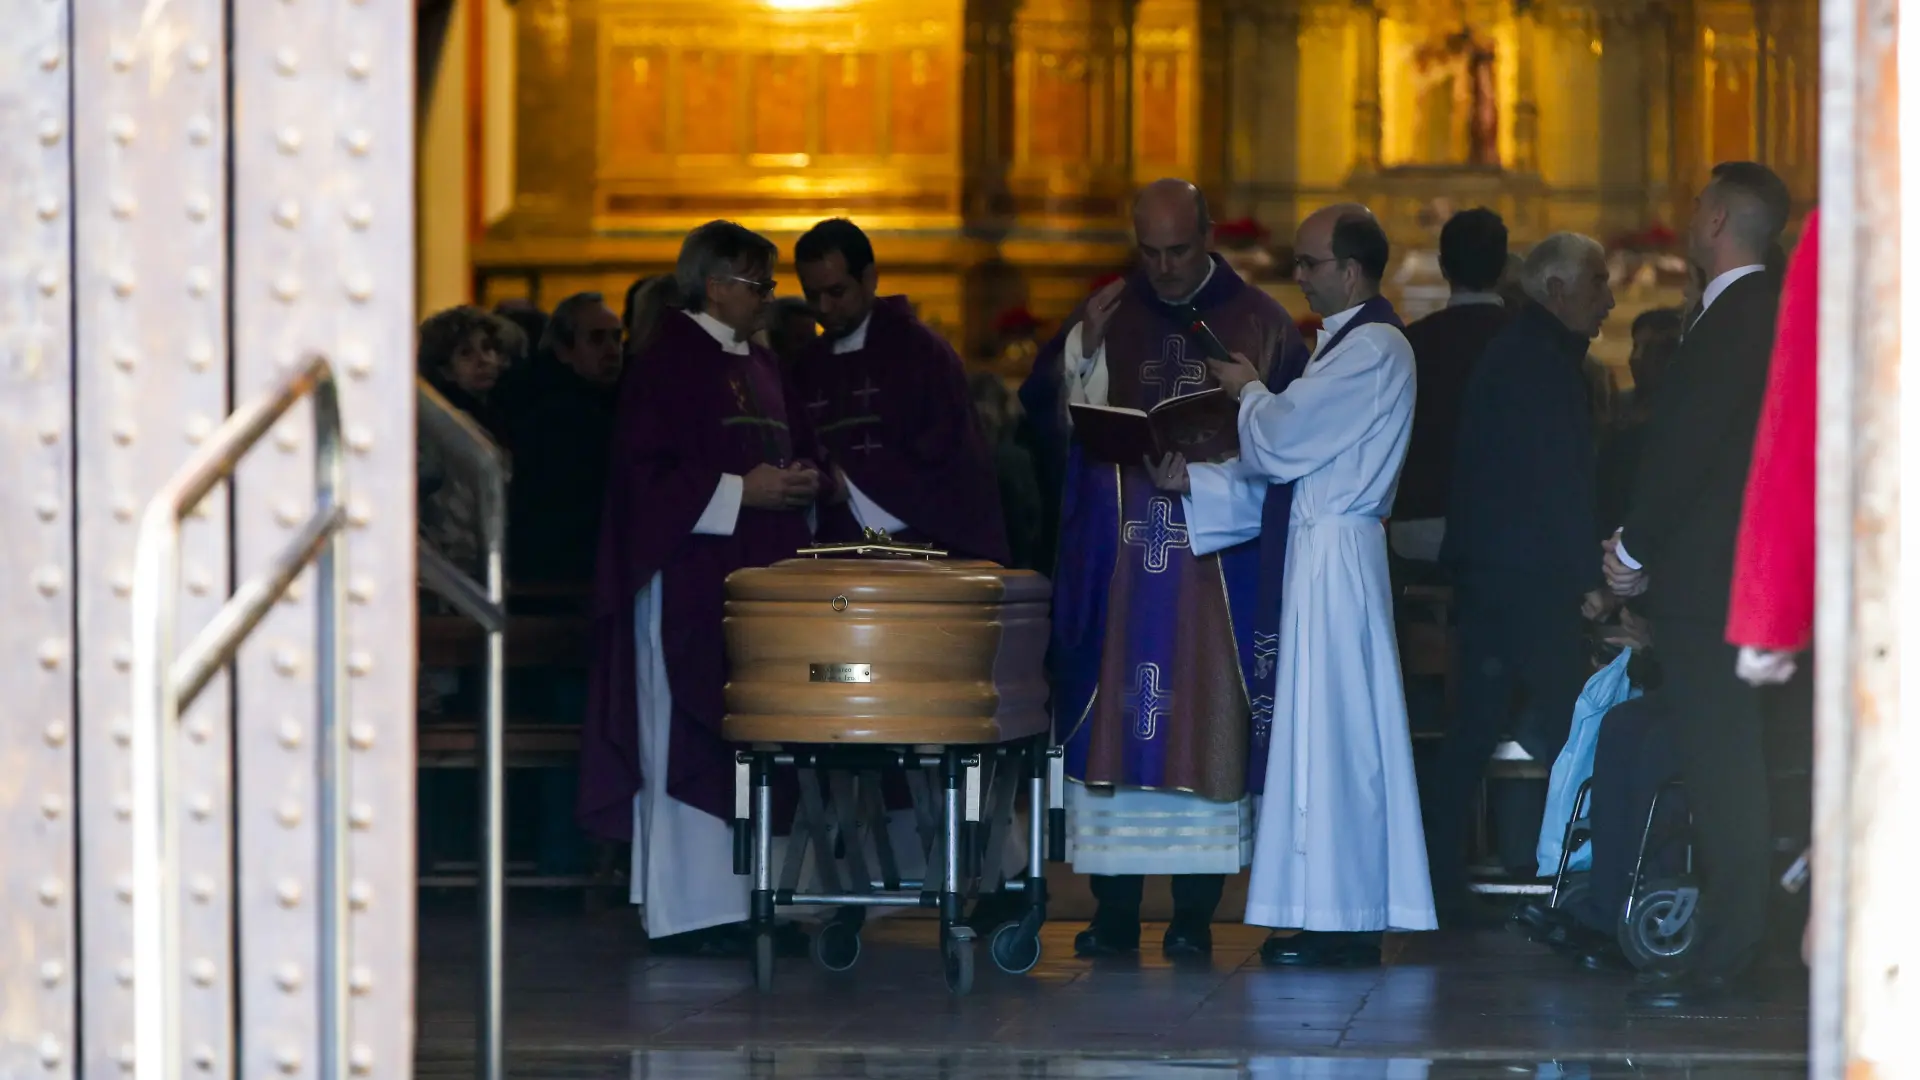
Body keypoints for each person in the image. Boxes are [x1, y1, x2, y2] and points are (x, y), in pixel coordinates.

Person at [1029, 179, 1311, 957]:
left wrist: (1221, 455)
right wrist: (1080, 354)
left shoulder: (1261, 321)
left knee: (1204, 726)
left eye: (1178, 251)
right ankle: (1113, 911)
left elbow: (1298, 445)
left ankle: (1192, 916)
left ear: (1208, 232)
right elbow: (1045, 424)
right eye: (1148, 252)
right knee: (1117, 731)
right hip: (1121, 567)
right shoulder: (1109, 312)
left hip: (1211, 574)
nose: (1163, 268)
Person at [1159, 205, 1436, 966]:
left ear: (1350, 270)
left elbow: (1281, 446)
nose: (1301, 275)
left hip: (1337, 569)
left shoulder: (1374, 348)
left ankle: (1344, 920)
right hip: (1322, 554)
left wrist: (1248, 391)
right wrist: (1196, 485)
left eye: (1311, 263)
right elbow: (1291, 480)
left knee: (1338, 741)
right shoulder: (1344, 349)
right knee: (1319, 740)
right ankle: (1325, 911)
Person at [576, 220, 830, 957]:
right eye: (759, 285)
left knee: (758, 734)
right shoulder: (667, 363)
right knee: (691, 732)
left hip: (759, 581)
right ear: (714, 284)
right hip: (687, 579)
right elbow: (640, 481)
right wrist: (738, 492)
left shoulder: (761, 361)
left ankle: (758, 900)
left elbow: (788, 447)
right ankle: (693, 909)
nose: (769, 300)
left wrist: (802, 481)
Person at [1602, 161, 1791, 1008]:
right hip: (1750, 576)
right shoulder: (1774, 314)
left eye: (1692, 204)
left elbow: (1689, 452)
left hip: (1715, 580)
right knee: (1731, 758)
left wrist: (1635, 549)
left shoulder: (1733, 321)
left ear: (1715, 219)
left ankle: (1737, 938)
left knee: (1722, 761)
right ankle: (1741, 928)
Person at [1430, 233, 1616, 917]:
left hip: (1505, 572)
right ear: (1556, 289)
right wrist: (1587, 579)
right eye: (1597, 282)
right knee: (1577, 721)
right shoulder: (1537, 360)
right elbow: (1554, 483)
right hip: (1524, 580)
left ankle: (1450, 876)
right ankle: (1588, 877)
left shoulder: (1530, 352)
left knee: (1480, 728)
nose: (1610, 299)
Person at [788, 218, 1010, 562]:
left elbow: (948, 460)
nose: (823, 309)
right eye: (811, 295)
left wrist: (852, 486)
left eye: (836, 292)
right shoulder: (805, 365)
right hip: (830, 553)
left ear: (869, 278)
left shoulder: (921, 353)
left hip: (916, 548)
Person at [1392, 207, 1511, 566]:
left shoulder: (1410, 344)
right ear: (1504, 268)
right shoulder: (1531, 342)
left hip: (1417, 528)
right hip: (1506, 527)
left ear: (1443, 267)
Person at [507, 292, 626, 583]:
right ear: (563, 350)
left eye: (616, 337)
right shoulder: (550, 416)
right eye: (597, 339)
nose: (612, 350)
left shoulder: (620, 403)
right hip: (563, 578)